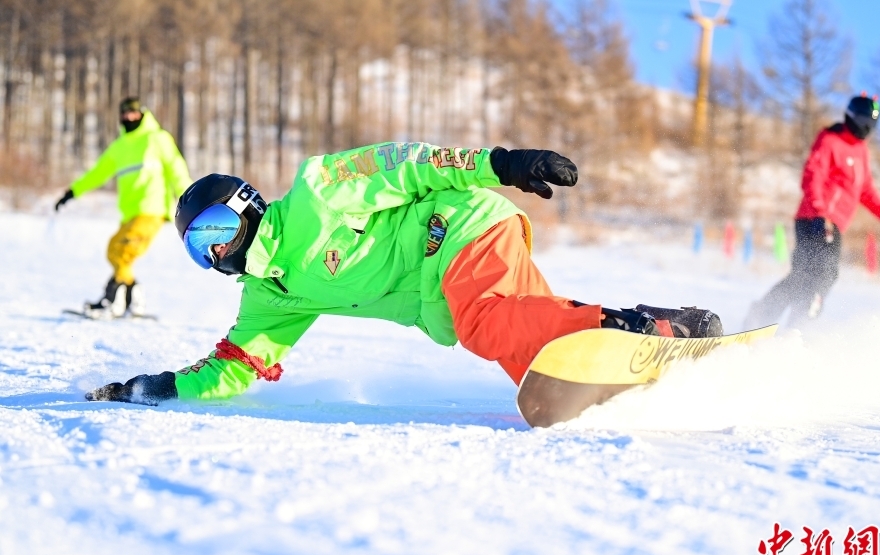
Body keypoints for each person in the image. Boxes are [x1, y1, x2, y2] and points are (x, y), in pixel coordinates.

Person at [84, 142, 723, 406]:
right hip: (451, 286)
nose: (216, 252)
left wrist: (502, 164)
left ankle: (633, 325)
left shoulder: (317, 192)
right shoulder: (270, 297)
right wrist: (153, 387)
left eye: (216, 230)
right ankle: (668, 346)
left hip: (457, 228)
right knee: (547, 374)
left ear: (245, 206)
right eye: (199, 249)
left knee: (486, 325)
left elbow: (412, 164)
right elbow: (234, 368)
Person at [744, 95, 880, 329]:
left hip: (831, 222)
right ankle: (798, 324)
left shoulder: (861, 151)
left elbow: (865, 189)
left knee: (803, 276)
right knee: (824, 273)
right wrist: (820, 213)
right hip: (815, 219)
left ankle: (762, 314)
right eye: (864, 121)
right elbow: (813, 176)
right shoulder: (830, 140)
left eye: (872, 123)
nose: (867, 128)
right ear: (851, 117)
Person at [55, 97, 193, 318]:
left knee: (122, 250)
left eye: (133, 112)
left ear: (142, 113)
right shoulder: (119, 147)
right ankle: (132, 296)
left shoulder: (157, 138)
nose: (129, 116)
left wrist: (191, 201)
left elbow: (177, 170)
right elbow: (97, 174)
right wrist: (72, 192)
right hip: (130, 213)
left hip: (152, 209)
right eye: (125, 112)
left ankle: (116, 299)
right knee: (114, 250)